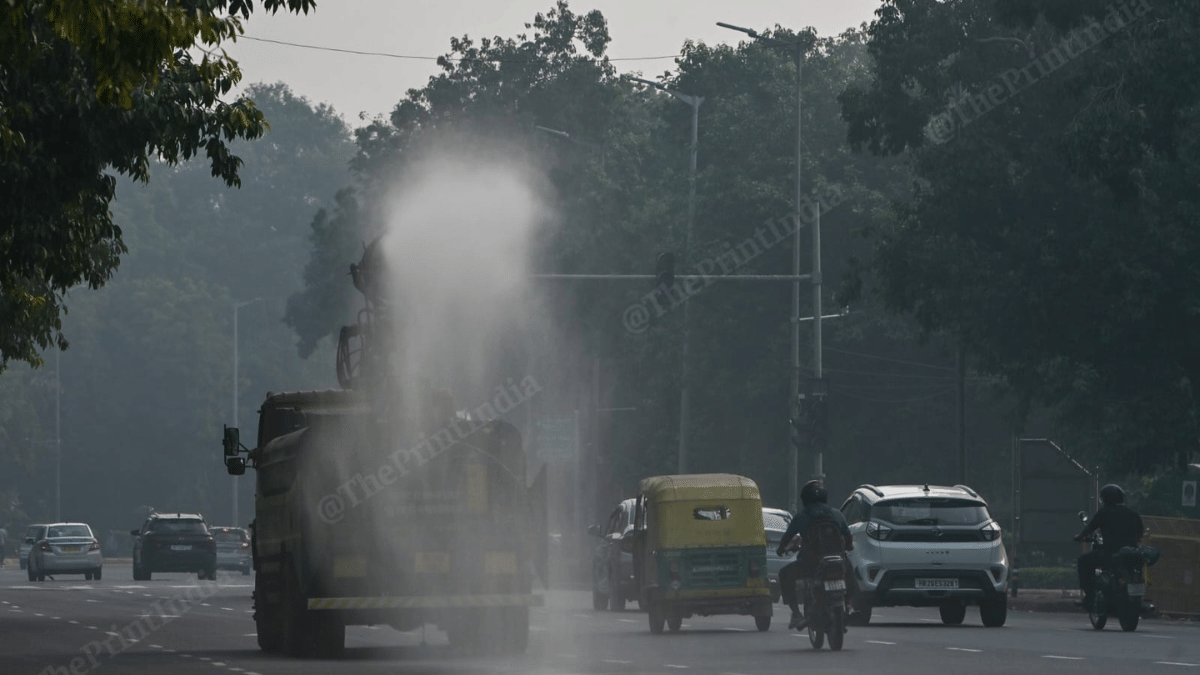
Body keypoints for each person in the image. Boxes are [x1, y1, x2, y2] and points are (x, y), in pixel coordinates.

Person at [776, 480, 853, 630]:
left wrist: (781, 550)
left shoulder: (801, 516)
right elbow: (848, 538)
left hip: (811, 564)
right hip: (838, 561)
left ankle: (796, 614)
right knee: (850, 570)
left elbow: (786, 538)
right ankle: (849, 605)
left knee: (784, 574)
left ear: (805, 498)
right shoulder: (836, 513)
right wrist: (847, 548)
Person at [1074, 483, 1144, 611]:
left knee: (1083, 561)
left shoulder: (1104, 513)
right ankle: (1139, 600)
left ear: (1104, 498)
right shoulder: (1133, 514)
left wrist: (1080, 537)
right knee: (1138, 571)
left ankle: (1089, 597)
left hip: (1110, 553)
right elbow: (1140, 532)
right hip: (1131, 553)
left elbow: (1089, 529)